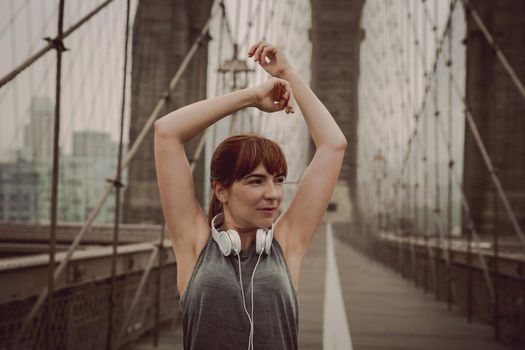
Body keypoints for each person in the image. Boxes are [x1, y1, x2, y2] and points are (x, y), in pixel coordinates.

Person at [154, 40, 347, 350]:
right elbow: (166, 133)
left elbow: (333, 145)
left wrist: (287, 74)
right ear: (221, 190)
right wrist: (252, 96)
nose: (273, 194)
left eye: (279, 180)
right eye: (256, 181)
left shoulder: (286, 244)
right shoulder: (195, 245)